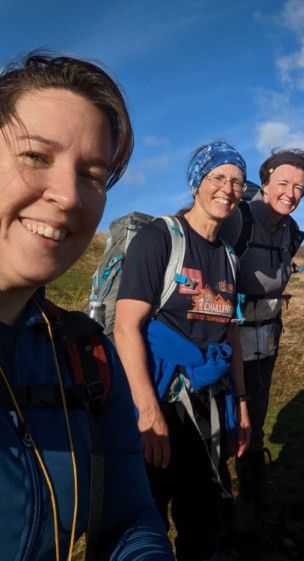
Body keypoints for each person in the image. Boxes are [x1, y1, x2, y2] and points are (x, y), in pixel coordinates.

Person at [0, 52, 173, 559]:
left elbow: (129, 517)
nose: (70, 195)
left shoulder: (86, 353)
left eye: (93, 174)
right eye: (36, 156)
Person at [114, 141, 251, 561]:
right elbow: (125, 327)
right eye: (218, 178)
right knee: (148, 509)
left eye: (237, 182)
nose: (227, 189)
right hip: (159, 399)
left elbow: (231, 338)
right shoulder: (161, 238)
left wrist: (242, 405)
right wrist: (148, 411)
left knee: (202, 515)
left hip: (208, 402)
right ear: (197, 183)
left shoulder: (229, 258)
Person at [219, 148, 304, 517]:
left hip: (266, 343)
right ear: (265, 182)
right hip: (226, 344)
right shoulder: (237, 219)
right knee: (219, 419)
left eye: (299, 188)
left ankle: (252, 499)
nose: (290, 193)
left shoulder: (290, 231)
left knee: (254, 421)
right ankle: (216, 499)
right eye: (284, 183)